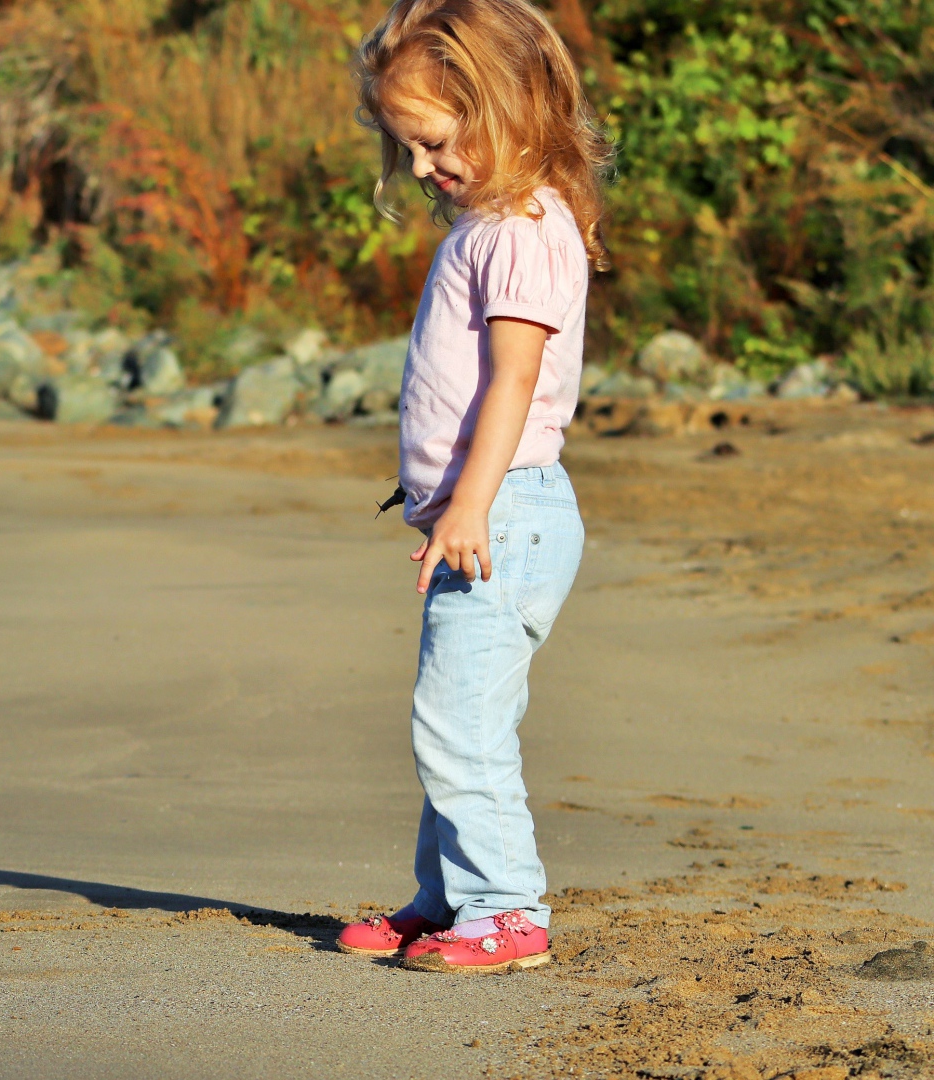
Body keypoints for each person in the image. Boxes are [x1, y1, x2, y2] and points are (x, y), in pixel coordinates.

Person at [331, 0, 614, 973]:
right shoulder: (495, 224)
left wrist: (470, 502)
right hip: (499, 510)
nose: (419, 167)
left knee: (458, 722)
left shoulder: (525, 228)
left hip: (511, 508)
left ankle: (506, 910)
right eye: (407, 148)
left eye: (434, 142)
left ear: (504, 109)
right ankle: (448, 896)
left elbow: (515, 380)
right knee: (458, 715)